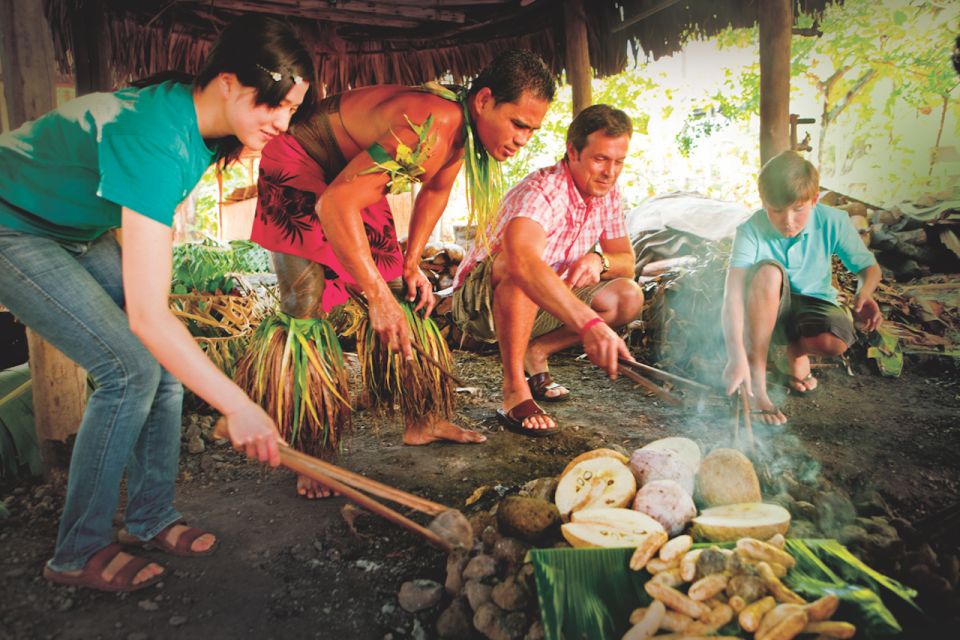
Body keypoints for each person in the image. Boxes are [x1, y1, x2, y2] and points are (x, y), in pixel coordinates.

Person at [0, 15, 313, 592]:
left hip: (72, 228)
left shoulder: (202, 125)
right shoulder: (156, 135)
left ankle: (148, 518)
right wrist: (237, 405)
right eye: (271, 105)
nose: (282, 122)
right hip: (13, 226)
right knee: (128, 368)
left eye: (291, 109)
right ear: (225, 82)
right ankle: (78, 551)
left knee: (160, 368)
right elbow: (147, 317)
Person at [249, 50, 556, 496]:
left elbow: (435, 190)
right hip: (298, 162)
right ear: (486, 100)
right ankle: (310, 454)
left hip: (350, 171)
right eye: (519, 124)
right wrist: (375, 296)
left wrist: (411, 262)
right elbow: (335, 204)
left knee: (404, 290)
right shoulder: (434, 123)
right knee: (305, 307)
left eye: (533, 130)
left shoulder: (461, 130)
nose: (523, 140)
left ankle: (423, 419)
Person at [450, 104, 643, 436]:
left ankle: (536, 353)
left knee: (628, 295)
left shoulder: (608, 195)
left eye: (618, 162)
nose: (610, 172)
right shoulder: (541, 190)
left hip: (547, 300)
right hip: (481, 305)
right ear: (572, 151)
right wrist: (591, 325)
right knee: (520, 266)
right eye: (600, 159)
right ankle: (514, 388)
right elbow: (522, 262)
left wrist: (600, 261)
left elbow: (626, 259)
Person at [721, 150, 883, 425]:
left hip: (812, 302)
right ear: (763, 203)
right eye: (776, 211)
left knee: (836, 341)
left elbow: (869, 268)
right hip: (764, 305)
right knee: (769, 274)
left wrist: (863, 291)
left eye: (798, 209)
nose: (788, 221)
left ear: (815, 199)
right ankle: (758, 383)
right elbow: (733, 295)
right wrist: (735, 355)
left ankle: (794, 351)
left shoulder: (834, 220)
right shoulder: (750, 230)